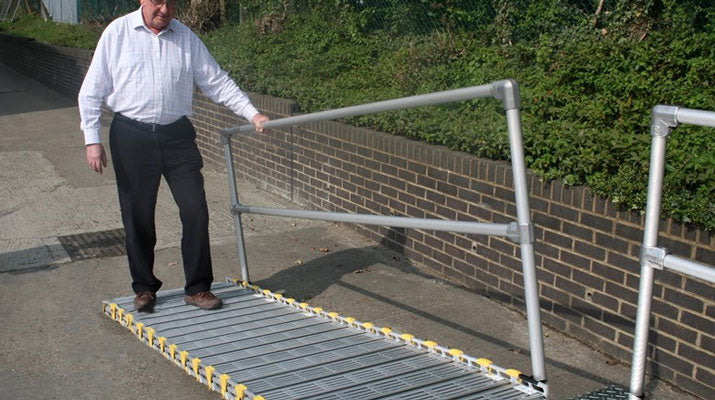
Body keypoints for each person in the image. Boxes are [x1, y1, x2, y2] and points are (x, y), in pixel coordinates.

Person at [78, 0, 269, 312]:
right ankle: (144, 288)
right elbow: (92, 90)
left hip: (177, 136)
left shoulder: (186, 38)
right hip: (131, 136)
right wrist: (92, 139)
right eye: (158, 1)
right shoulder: (118, 33)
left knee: (195, 209)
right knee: (138, 215)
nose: (164, 9)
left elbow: (216, 82)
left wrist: (253, 114)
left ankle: (198, 288)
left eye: (171, 2)